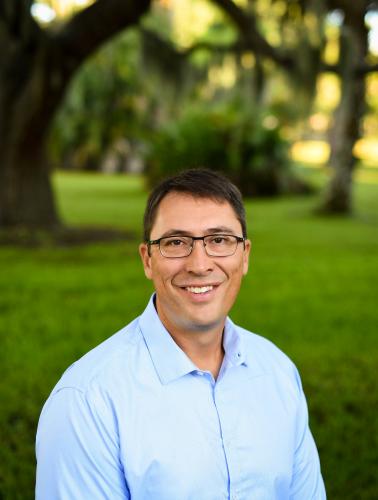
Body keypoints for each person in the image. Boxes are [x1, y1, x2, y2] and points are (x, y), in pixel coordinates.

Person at [36, 168, 326, 499]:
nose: (199, 264)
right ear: (147, 260)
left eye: (219, 240)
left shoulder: (278, 372)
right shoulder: (88, 401)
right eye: (176, 242)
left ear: (244, 256)